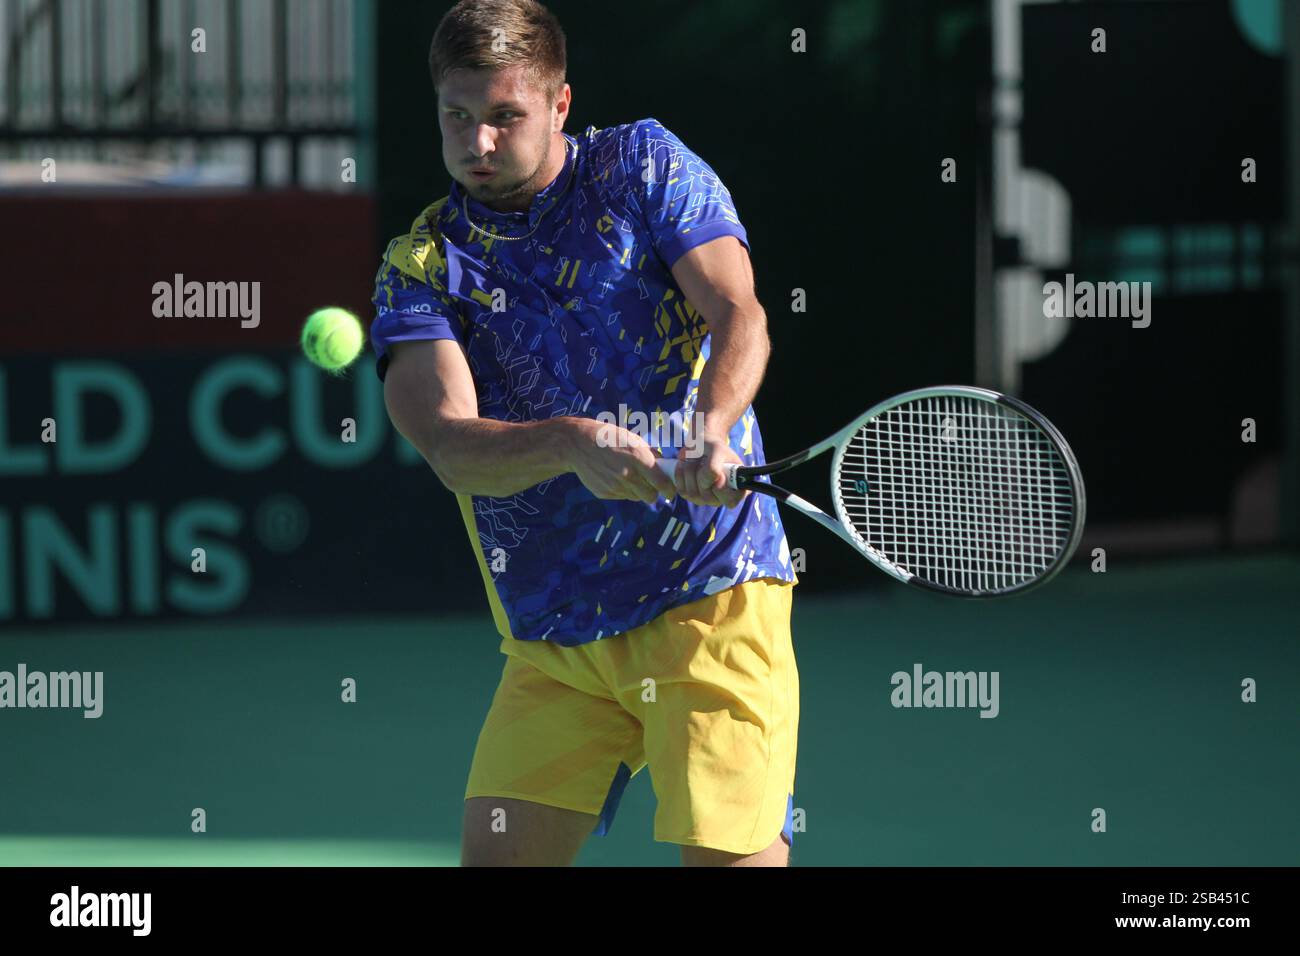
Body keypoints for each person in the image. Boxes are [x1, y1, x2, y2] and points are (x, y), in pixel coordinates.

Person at [374, 0, 798, 866]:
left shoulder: (641, 164)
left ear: (560, 105)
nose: (477, 144)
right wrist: (568, 441)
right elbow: (453, 447)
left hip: (710, 594)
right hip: (555, 637)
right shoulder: (421, 263)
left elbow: (737, 309)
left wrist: (712, 429)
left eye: (505, 117)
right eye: (457, 117)